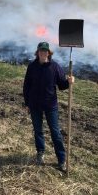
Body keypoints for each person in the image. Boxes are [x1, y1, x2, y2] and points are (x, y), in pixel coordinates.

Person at [23, 41, 75, 171]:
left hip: (51, 105)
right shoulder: (32, 67)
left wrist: (69, 82)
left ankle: (62, 160)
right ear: (37, 52)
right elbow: (26, 86)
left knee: (55, 133)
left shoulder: (55, 67)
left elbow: (62, 85)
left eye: (45, 51)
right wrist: (27, 103)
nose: (43, 53)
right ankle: (40, 153)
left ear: (49, 53)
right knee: (38, 131)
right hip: (34, 105)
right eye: (41, 51)